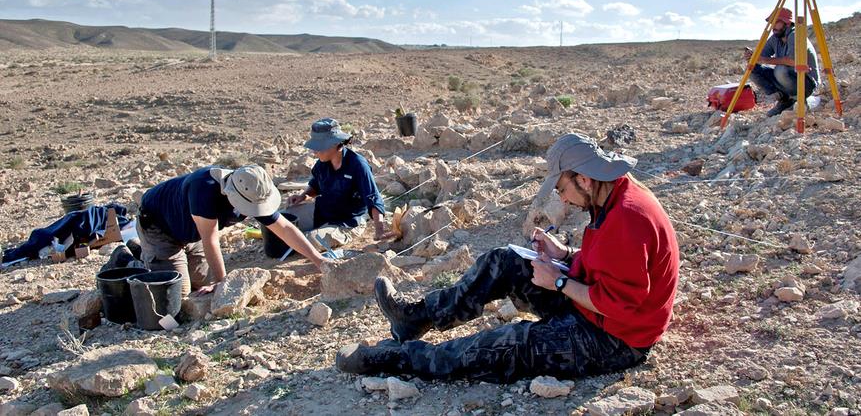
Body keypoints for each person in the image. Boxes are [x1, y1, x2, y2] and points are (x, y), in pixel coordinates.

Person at [336, 133, 679, 383]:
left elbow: (620, 304)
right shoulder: (614, 194)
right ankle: (415, 318)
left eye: (561, 189)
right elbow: (613, 267)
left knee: (509, 344)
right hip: (597, 309)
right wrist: (565, 256)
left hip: (614, 339)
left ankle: (396, 359)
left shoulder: (627, 219)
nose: (562, 199)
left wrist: (559, 281)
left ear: (584, 179)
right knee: (504, 261)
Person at [137, 164, 326, 296]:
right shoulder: (204, 189)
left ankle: (151, 257)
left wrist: (319, 260)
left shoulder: (251, 188)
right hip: (159, 229)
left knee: (201, 285)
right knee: (179, 293)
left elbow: (284, 228)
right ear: (233, 196)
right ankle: (133, 261)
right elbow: (210, 240)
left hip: (192, 233)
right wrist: (223, 285)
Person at [285, 118, 393, 250]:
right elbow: (315, 186)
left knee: (309, 241)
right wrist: (303, 196)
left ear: (335, 144)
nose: (315, 152)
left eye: (319, 147)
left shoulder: (358, 165)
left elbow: (373, 198)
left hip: (348, 222)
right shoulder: (322, 163)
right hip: (322, 212)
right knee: (283, 220)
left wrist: (379, 229)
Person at [745, 7, 821, 117]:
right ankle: (784, 99)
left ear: (787, 23)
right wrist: (752, 56)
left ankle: (798, 100)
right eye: (772, 23)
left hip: (806, 82)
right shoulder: (775, 37)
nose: (773, 27)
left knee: (780, 69)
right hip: (787, 78)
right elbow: (761, 56)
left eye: (776, 22)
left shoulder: (796, 35)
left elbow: (793, 61)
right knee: (752, 68)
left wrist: (763, 59)